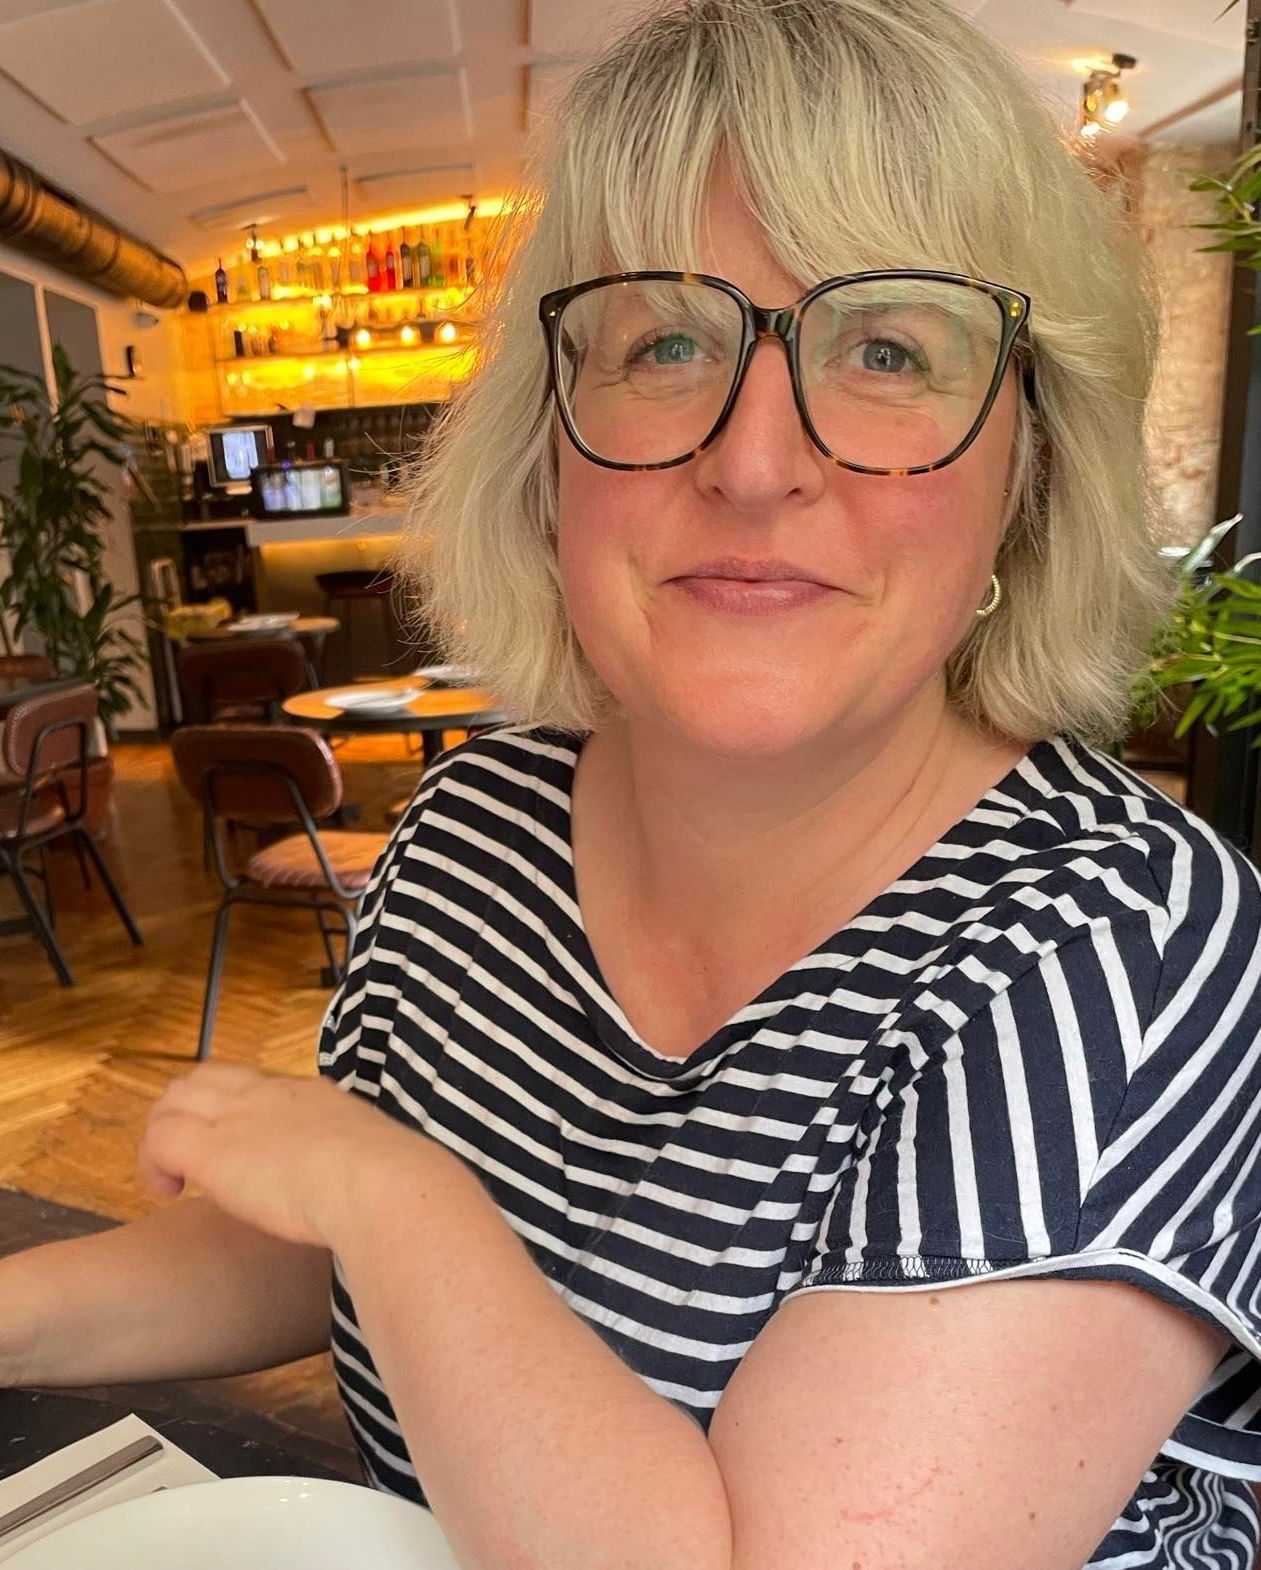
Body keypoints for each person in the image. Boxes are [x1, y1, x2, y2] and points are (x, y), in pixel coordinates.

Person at [3, 2, 1260, 1566]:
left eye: (886, 349)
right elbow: (314, 1243)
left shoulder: (1116, 940)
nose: (751, 459)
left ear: (1028, 473)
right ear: (548, 452)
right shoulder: (479, 828)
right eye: (668, 339)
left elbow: (381, 1216)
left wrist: (402, 1200)